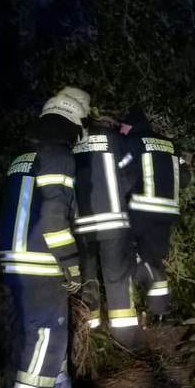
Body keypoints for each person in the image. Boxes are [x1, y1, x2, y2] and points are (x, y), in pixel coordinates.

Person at [0, 89, 92, 388]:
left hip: (17, 260)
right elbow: (54, 218)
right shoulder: (58, 156)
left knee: (52, 336)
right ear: (73, 125)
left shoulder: (22, 158)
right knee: (44, 340)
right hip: (40, 262)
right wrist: (71, 266)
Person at [72, 112, 147, 352]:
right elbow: (131, 174)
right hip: (113, 220)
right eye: (114, 124)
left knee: (87, 277)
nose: (116, 127)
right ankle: (125, 337)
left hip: (82, 224)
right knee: (117, 277)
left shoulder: (74, 138)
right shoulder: (115, 139)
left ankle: (90, 333)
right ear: (106, 122)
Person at [122, 106, 191, 323]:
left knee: (122, 250)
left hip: (142, 208)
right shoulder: (171, 145)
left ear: (129, 126)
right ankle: (160, 313)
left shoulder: (132, 142)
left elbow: (123, 175)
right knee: (155, 259)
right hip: (168, 211)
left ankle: (128, 304)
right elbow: (186, 177)